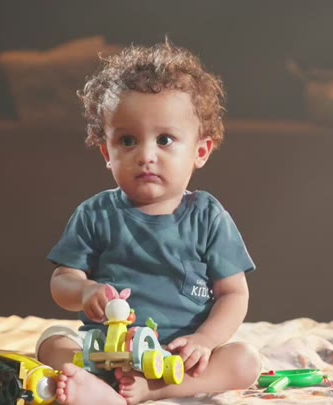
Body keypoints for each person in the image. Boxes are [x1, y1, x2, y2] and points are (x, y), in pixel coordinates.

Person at [35, 39, 261, 405]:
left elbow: (234, 294)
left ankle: (153, 389)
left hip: (176, 356)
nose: (146, 155)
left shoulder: (208, 217)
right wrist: (85, 291)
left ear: (200, 151)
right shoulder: (96, 214)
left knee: (245, 360)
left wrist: (204, 340)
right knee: (51, 342)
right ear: (107, 152)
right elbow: (62, 281)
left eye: (165, 139)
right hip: (106, 351)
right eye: (128, 140)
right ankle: (100, 386)